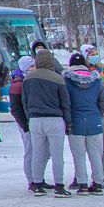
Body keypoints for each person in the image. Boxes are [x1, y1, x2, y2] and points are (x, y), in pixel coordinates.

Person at [22, 48, 72, 197]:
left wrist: (29, 116)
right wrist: (68, 122)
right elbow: (65, 102)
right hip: (54, 119)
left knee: (37, 153)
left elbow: (24, 101)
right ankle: (59, 185)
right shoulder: (57, 78)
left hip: (35, 119)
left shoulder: (28, 78)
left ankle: (36, 184)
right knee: (57, 154)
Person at [63, 53, 104, 194]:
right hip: (94, 121)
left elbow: (64, 102)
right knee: (95, 154)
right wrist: (97, 114)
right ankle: (98, 183)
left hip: (75, 122)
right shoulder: (96, 80)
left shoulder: (66, 81)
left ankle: (82, 184)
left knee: (79, 155)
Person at [80, 44, 104, 183]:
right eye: (91, 53)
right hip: (88, 112)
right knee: (86, 147)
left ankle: (101, 176)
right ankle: (82, 176)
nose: (94, 56)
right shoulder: (83, 71)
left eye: (95, 53)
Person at [9, 56, 34, 188]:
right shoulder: (17, 85)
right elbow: (16, 109)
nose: (34, 69)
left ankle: (36, 177)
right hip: (25, 123)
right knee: (30, 150)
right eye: (31, 67)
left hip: (31, 122)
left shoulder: (27, 82)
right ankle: (31, 179)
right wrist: (25, 126)